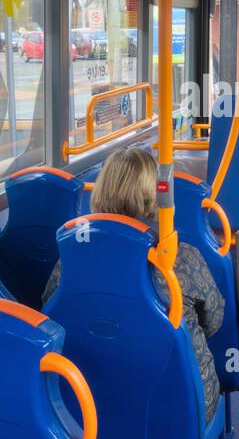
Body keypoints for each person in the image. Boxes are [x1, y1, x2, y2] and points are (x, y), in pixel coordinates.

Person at [42, 147, 225, 423]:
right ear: (153, 192)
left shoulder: (70, 259)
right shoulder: (179, 258)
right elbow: (214, 320)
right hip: (175, 406)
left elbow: (49, 311)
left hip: (87, 403)